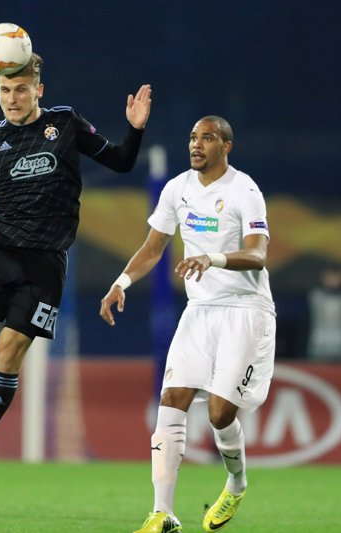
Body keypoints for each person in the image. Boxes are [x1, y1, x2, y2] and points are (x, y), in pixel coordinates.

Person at [0, 52, 152, 492]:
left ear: (39, 90)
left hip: (46, 265)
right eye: (4, 91)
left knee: (9, 353)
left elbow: (122, 161)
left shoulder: (65, 123)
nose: (11, 99)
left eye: (20, 90)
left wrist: (135, 129)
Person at [100, 116, 276, 533]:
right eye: (193, 137)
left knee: (219, 414)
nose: (197, 145)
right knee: (172, 398)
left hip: (245, 309)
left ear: (226, 146)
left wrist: (212, 258)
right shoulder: (177, 189)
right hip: (199, 310)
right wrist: (121, 282)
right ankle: (162, 512)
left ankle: (236, 483)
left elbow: (258, 255)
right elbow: (152, 247)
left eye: (208, 138)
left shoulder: (244, 190)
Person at [306, 263, 341, 361]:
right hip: (319, 342)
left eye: (337, 277)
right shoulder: (316, 296)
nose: (333, 280)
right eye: (330, 277)